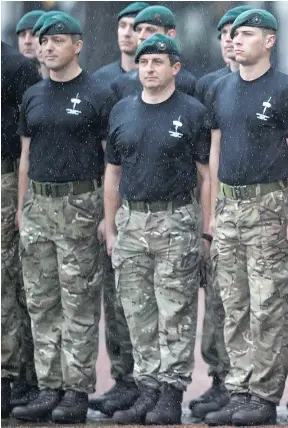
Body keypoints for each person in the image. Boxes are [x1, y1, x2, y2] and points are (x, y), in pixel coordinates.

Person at [202, 9, 288, 426]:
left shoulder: (286, 91)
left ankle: (263, 395)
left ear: (269, 41)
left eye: (247, 33)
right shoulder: (221, 89)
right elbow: (214, 151)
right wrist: (210, 214)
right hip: (228, 207)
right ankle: (238, 388)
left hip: (269, 206)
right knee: (234, 303)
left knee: (269, 306)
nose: (236, 39)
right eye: (233, 34)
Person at [12, 13, 116, 424]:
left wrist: (108, 216)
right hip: (39, 205)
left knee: (79, 303)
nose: (47, 46)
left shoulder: (98, 93)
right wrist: (22, 207)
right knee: (42, 303)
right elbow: (25, 156)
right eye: (43, 41)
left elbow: (112, 161)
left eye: (57, 40)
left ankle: (75, 390)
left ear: (78, 45)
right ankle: (48, 386)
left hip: (80, 205)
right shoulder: (34, 95)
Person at [103, 34, 210, 425]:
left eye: (158, 63)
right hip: (132, 222)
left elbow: (205, 176)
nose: (149, 69)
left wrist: (205, 229)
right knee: (137, 311)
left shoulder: (193, 112)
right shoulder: (121, 111)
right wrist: (112, 227)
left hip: (176, 220)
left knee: (175, 311)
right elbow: (112, 174)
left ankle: (171, 393)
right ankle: (147, 388)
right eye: (143, 62)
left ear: (175, 69)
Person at [187, 5, 250, 421]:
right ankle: (220, 376)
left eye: (237, 32)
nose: (229, 39)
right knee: (219, 301)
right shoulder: (208, 87)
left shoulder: (266, 87)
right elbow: (201, 158)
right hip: (214, 202)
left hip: (251, 203)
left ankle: (243, 383)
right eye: (224, 33)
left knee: (245, 301)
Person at [86, 3, 149, 416]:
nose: (128, 34)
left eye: (137, 28)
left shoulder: (183, 82)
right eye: (123, 26)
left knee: (148, 299)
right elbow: (101, 151)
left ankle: (149, 381)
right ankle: (123, 376)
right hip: (116, 198)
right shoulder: (104, 82)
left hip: (155, 200)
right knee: (116, 296)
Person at [0, 40, 40, 419]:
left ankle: (8, 375)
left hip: (4, 175)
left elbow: (28, 137)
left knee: (5, 280)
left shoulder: (14, 66)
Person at [109, 5, 197, 99]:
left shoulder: (187, 83)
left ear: (170, 35)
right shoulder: (122, 84)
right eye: (138, 30)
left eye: (150, 30)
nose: (141, 36)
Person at [193, 6, 250, 103]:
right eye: (224, 32)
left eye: (234, 32)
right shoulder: (207, 84)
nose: (227, 39)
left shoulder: (274, 85)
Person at [92, 2, 150, 83]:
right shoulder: (101, 78)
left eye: (134, 28)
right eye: (122, 25)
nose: (126, 33)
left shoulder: (154, 78)